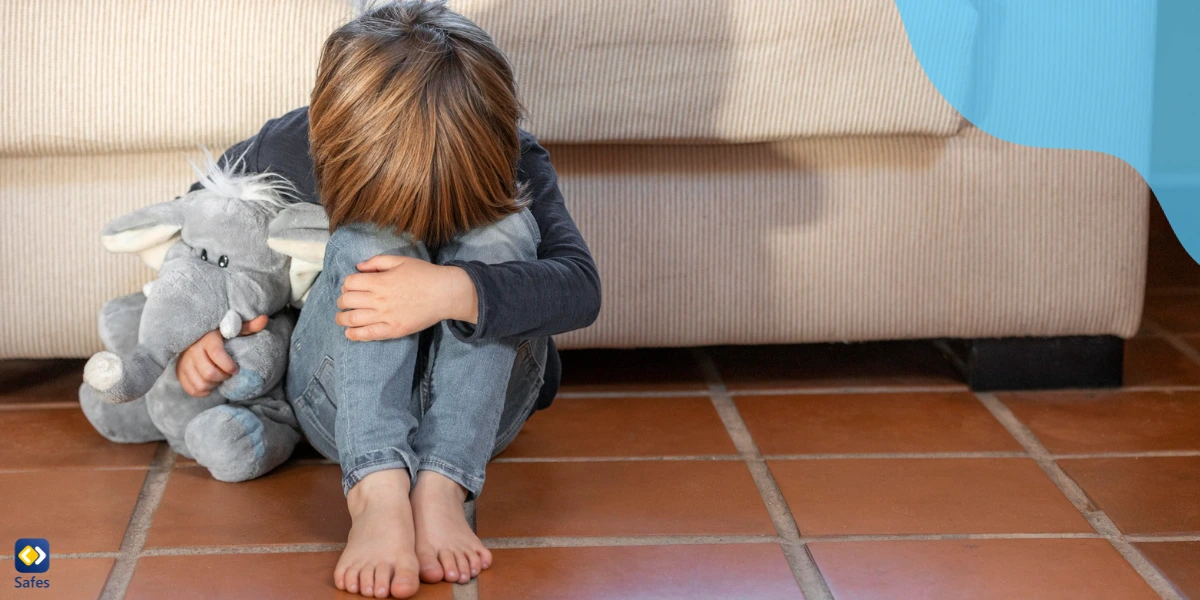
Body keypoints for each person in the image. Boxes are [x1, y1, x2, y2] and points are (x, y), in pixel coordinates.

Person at [172, 1, 600, 597]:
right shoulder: (295, 143)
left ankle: (444, 486)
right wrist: (196, 332)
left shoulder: (515, 154)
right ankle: (376, 492)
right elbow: (204, 232)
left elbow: (581, 289)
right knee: (367, 238)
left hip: (484, 416)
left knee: (502, 232)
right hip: (339, 404)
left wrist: (456, 290)